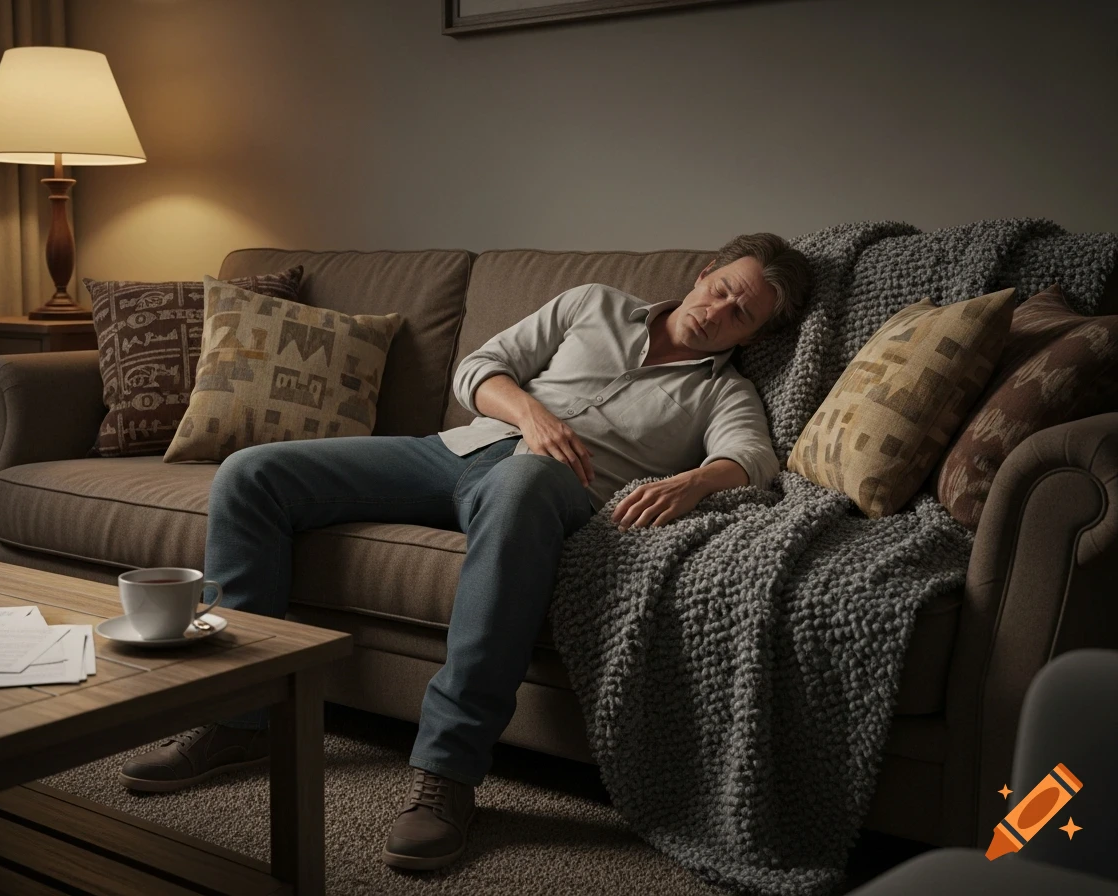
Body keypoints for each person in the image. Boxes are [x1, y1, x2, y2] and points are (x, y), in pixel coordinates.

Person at [116, 233, 814, 871]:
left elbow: (752, 456)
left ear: (752, 334)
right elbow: (482, 366)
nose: (719, 311)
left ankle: (448, 770)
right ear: (704, 273)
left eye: (741, 314)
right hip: (458, 451)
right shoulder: (592, 303)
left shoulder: (722, 390)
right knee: (252, 473)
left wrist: (693, 481)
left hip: (544, 490)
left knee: (525, 480)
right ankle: (241, 717)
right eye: (722, 288)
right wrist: (534, 416)